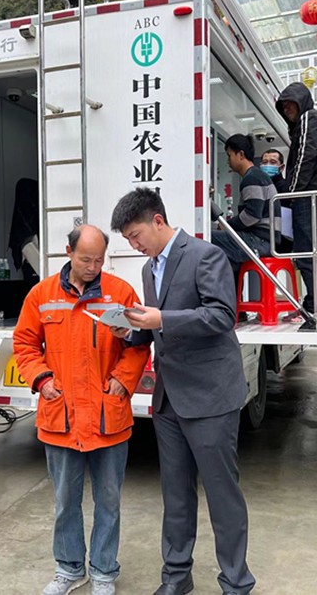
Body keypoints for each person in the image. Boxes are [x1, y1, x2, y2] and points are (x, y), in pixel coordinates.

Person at [110, 188, 255, 595]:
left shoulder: (205, 256)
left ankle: (236, 583)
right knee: (175, 495)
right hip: (169, 399)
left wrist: (162, 318)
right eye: (128, 240)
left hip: (210, 396)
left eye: (136, 236)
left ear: (158, 221)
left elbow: (221, 316)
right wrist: (130, 330)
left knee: (222, 495)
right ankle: (176, 577)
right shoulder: (149, 270)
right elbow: (155, 329)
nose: (134, 246)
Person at [13, 225, 150, 595]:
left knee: (109, 502)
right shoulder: (41, 295)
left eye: (99, 260)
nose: (93, 267)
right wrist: (42, 379)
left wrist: (123, 379)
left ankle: (104, 571)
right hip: (62, 416)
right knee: (64, 502)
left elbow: (139, 344)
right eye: (86, 259)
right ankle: (69, 568)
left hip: (108, 416)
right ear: (68, 252)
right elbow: (24, 344)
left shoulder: (120, 293)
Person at [275, 82, 317, 319]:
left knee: (307, 254)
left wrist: (291, 192)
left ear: (301, 102)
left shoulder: (308, 119)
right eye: (284, 105)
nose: (287, 109)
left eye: (291, 103)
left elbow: (305, 158)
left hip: (311, 197)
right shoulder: (316, 120)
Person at [211, 134, 280, 276]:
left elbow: (252, 216)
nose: (228, 161)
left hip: (259, 241)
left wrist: (227, 225)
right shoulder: (257, 176)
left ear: (241, 154)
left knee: (206, 237)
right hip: (266, 241)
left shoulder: (252, 178)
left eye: (229, 155)